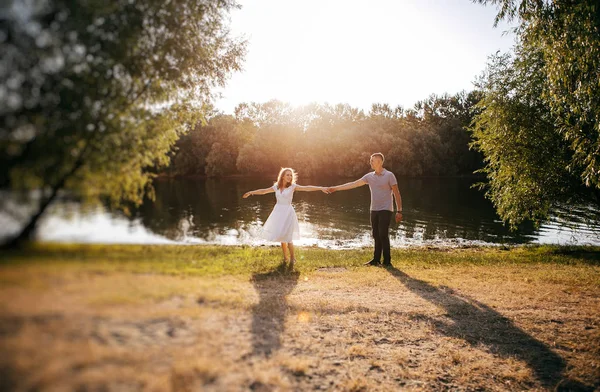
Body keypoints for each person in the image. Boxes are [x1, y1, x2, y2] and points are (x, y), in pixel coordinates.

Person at [327, 153, 402, 267]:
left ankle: (387, 261)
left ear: (380, 162)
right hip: (374, 209)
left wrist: (399, 210)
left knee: (383, 233)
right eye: (370, 160)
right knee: (376, 234)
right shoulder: (369, 176)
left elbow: (396, 193)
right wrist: (336, 188)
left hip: (386, 209)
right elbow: (354, 184)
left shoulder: (389, 175)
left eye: (373, 160)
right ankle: (376, 260)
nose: (371, 162)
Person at [243, 168, 328, 265]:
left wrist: (320, 188)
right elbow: (264, 191)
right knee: (281, 236)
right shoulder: (276, 187)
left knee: (288, 238)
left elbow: (307, 188)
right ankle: (285, 258)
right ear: (282, 176)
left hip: (288, 213)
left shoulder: (292, 186)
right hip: (278, 212)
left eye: (291, 175)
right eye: (287, 175)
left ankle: (293, 258)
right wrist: (251, 192)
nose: (289, 177)